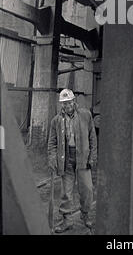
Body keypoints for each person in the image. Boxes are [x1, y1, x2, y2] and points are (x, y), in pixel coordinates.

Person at [48, 88, 97, 233]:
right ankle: (67, 221)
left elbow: (92, 138)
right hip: (66, 159)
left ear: (74, 101)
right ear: (61, 105)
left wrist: (92, 157)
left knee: (87, 190)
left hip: (83, 159)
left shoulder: (85, 115)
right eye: (63, 103)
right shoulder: (56, 121)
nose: (66, 105)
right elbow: (52, 143)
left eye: (68, 102)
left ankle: (86, 215)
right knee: (66, 193)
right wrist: (52, 158)